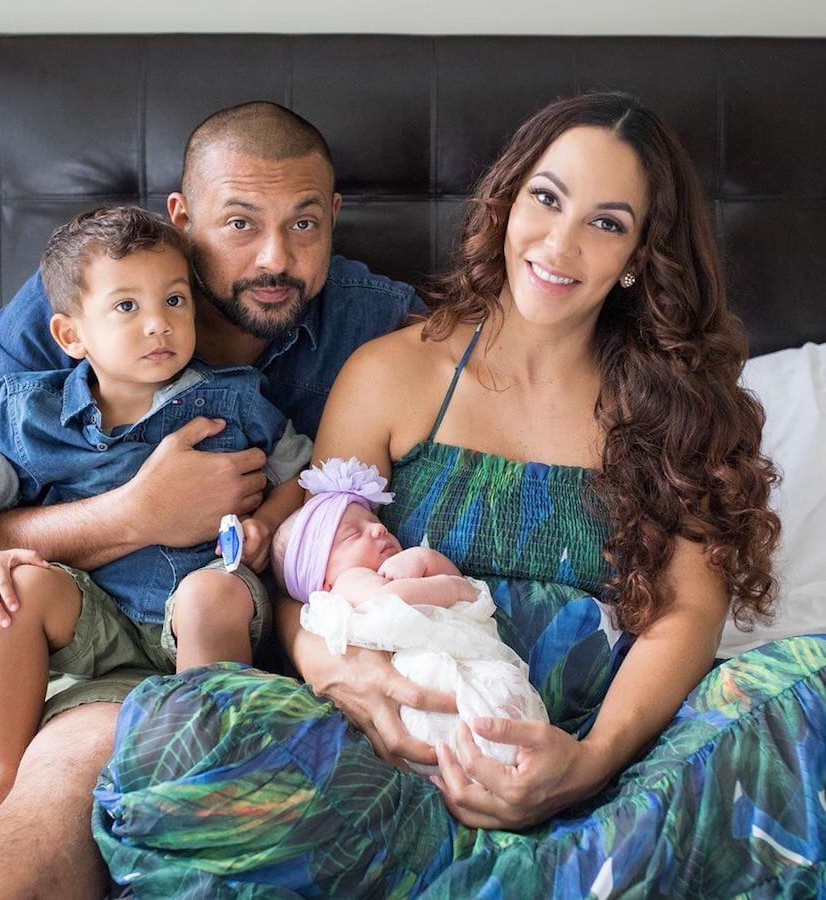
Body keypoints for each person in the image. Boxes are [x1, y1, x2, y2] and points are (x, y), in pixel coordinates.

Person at [91, 93, 819, 896]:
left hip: (616, 782)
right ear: (509, 203)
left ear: (640, 255)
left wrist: (588, 763)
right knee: (175, 726)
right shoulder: (392, 372)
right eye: (547, 199)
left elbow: (686, 611)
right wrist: (344, 682)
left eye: (607, 223)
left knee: (808, 686)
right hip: (393, 771)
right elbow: (306, 575)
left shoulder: (680, 408)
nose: (561, 242)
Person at [0, 102, 422, 897]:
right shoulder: (83, 288)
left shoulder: (375, 323)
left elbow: (498, 366)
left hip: (200, 626)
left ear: (334, 217)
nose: (275, 259)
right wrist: (138, 514)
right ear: (183, 220)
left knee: (95, 754)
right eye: (238, 224)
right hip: (60, 621)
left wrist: (265, 530)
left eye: (304, 225)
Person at [0, 204, 312, 850]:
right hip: (94, 614)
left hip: (203, 606)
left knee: (207, 593)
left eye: (175, 300)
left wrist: (267, 523)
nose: (159, 324)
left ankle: (204, 772)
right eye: (127, 308)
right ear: (71, 335)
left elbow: (305, 471)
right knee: (18, 585)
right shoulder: (29, 411)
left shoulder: (234, 399)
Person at [271, 456, 549, 774]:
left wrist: (427, 559)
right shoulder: (345, 584)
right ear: (322, 579)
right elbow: (392, 604)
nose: (377, 530)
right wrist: (445, 583)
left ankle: (501, 758)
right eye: (352, 535)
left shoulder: (388, 569)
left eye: (377, 524)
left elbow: (466, 597)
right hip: (422, 689)